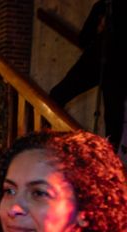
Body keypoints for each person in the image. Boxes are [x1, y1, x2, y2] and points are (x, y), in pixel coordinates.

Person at [50, 0, 127, 152]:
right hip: (94, 61)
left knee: (113, 118)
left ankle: (107, 160)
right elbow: (84, 39)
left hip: (117, 67)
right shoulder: (102, 6)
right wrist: (98, 29)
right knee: (57, 96)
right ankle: (53, 143)